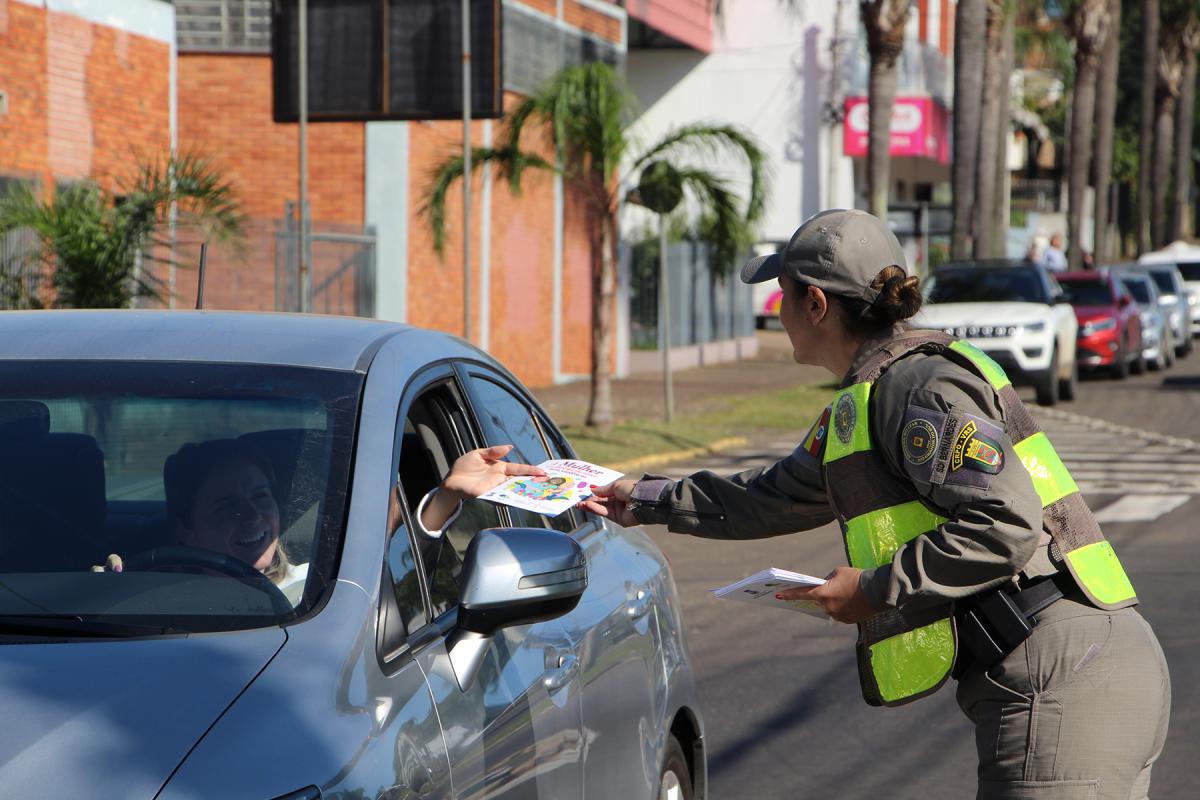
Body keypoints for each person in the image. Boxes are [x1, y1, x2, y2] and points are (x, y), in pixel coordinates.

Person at [585, 209, 1170, 799]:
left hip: (1062, 669)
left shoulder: (917, 388)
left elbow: (1004, 525)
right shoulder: (867, 401)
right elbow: (772, 496)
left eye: (781, 293)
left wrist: (873, 589)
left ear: (815, 305)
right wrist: (644, 498)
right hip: (1070, 667)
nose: (775, 310)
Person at [153, 439, 537, 605]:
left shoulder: (319, 593)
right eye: (227, 507)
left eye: (260, 497)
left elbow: (394, 570)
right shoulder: (146, 604)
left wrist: (447, 495)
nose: (253, 516)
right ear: (185, 528)